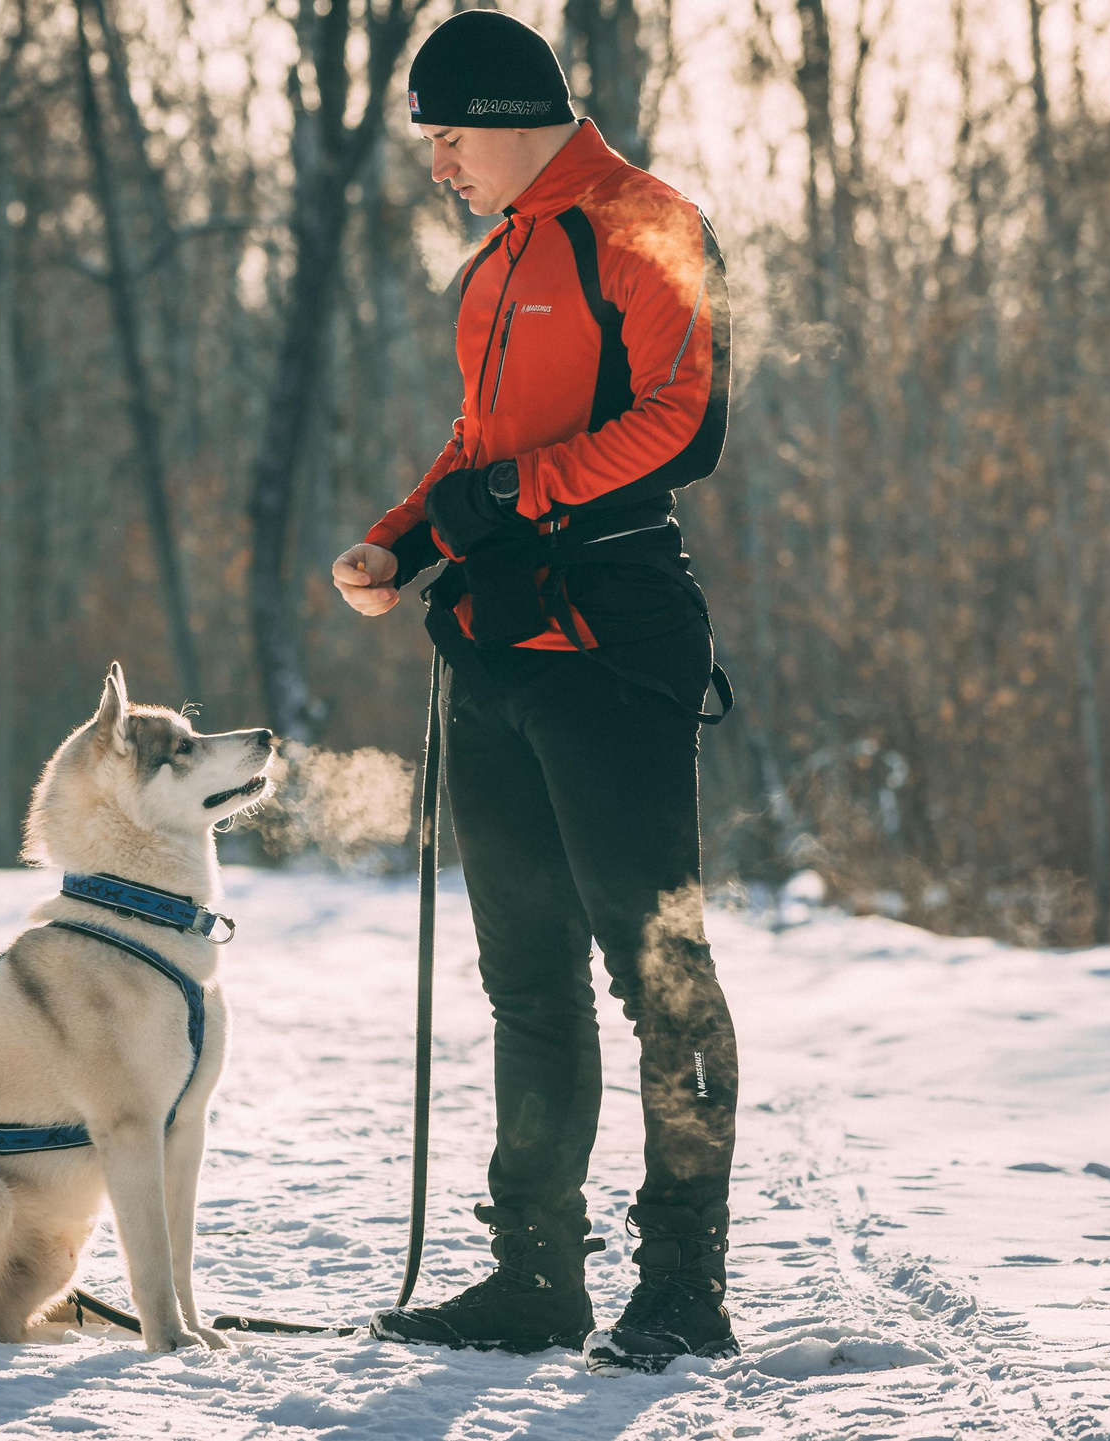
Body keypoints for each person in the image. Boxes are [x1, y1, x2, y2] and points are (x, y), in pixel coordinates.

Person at [337, 10, 740, 1374]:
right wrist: (402, 536)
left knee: (658, 967)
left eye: (447, 134)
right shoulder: (497, 263)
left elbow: (687, 418)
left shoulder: (645, 224)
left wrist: (516, 495)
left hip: (616, 629)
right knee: (526, 979)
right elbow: (476, 444)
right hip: (495, 640)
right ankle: (535, 1277)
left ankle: (684, 1288)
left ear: (512, 113)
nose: (438, 160)